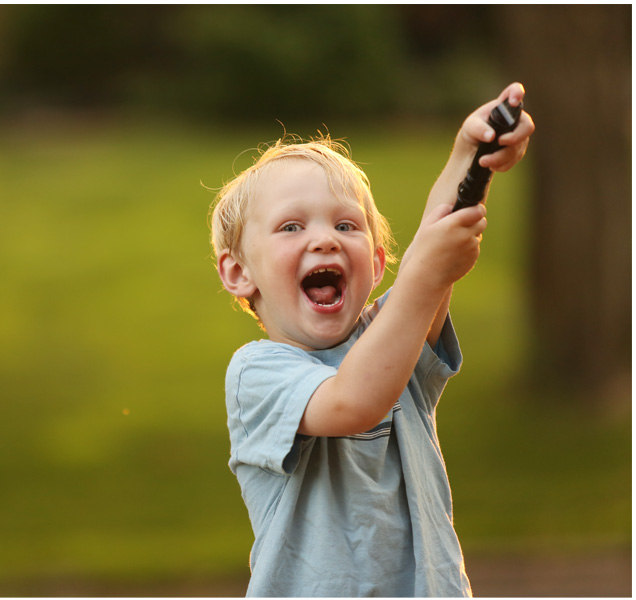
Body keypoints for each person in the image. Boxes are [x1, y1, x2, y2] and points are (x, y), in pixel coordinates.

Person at [209, 83, 535, 597]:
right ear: (238, 272)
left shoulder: (397, 335)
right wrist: (424, 276)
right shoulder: (257, 373)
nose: (324, 239)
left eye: (346, 225)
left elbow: (436, 235)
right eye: (291, 227)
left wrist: (471, 157)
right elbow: (353, 402)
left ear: (379, 264)